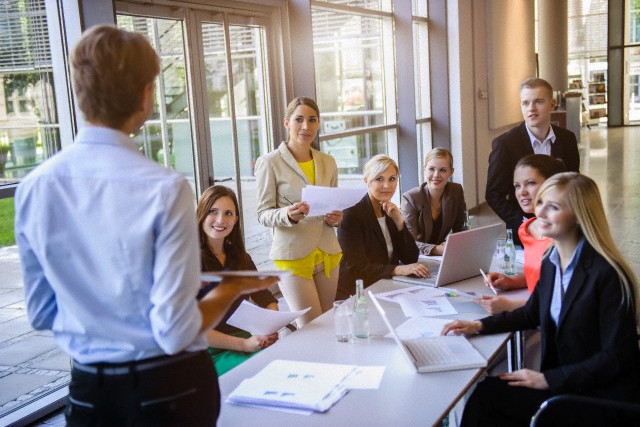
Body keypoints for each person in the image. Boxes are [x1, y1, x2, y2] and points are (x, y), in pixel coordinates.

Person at [14, 25, 277, 426]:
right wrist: (231, 289)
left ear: (79, 93)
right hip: (167, 389)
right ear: (145, 95)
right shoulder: (165, 187)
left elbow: (41, 312)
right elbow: (174, 331)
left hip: (87, 393)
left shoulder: (34, 187)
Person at [443, 173, 640, 426]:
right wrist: (480, 325)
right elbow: (532, 313)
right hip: (566, 382)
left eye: (554, 207)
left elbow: (617, 357)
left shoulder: (607, 274)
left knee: (488, 399)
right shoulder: (551, 260)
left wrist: (548, 380)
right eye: (541, 203)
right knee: (486, 393)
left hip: (596, 397)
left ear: (580, 216)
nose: (541, 212)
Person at [255, 97, 342, 328]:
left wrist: (336, 218)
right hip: (292, 255)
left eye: (312, 120)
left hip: (327, 253)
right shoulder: (270, 162)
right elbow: (263, 213)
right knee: (312, 328)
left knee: (327, 324)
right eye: (299, 120)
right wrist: (287, 215)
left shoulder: (328, 161)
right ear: (287, 123)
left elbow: (334, 203)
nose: (306, 126)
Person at [485, 78, 580, 245]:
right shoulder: (505, 144)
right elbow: (493, 194)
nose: (531, 109)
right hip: (525, 233)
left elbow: (573, 182)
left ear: (552, 104)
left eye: (538, 101)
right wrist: (525, 224)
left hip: (561, 227)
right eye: (525, 103)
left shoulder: (567, 139)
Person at [197, 186, 280, 376]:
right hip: (209, 350)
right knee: (264, 370)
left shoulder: (240, 258)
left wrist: (268, 327)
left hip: (247, 339)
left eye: (228, 213)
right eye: (213, 211)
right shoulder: (188, 261)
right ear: (201, 214)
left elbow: (266, 298)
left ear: (235, 219)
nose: (220, 220)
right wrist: (245, 345)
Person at [479, 154, 566, 314]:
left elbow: (561, 296)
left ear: (551, 184)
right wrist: (512, 282)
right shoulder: (526, 229)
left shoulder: (565, 235)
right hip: (535, 315)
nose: (521, 192)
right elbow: (540, 277)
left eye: (530, 183)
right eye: (517, 186)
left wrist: (512, 305)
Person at [337, 155, 429, 298]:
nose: (387, 186)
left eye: (392, 179)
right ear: (366, 180)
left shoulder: (389, 211)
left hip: (386, 287)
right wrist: (397, 270)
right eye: (379, 179)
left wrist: (399, 222)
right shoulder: (351, 215)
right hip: (358, 293)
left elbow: (411, 258)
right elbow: (357, 268)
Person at [401, 147, 467, 256]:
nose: (436, 175)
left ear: (451, 171)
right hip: (416, 257)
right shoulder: (410, 198)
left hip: (443, 255)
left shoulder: (456, 191)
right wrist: (436, 249)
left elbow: (462, 229)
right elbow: (409, 243)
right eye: (431, 169)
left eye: (442, 170)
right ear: (424, 169)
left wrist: (451, 244)